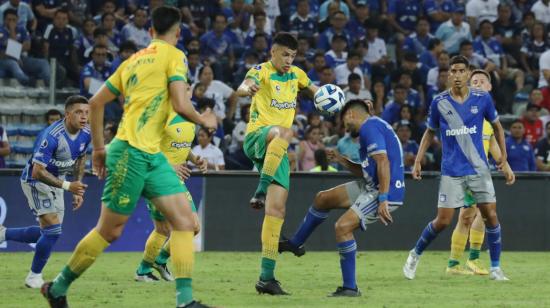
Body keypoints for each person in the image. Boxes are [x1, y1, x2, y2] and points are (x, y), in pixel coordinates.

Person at [40, 6, 217, 308]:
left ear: (150, 32)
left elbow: (95, 102)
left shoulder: (131, 61)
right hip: (131, 153)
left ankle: (185, 302)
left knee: (185, 222)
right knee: (110, 231)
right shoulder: (175, 56)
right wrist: (205, 120)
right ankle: (57, 288)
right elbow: (179, 102)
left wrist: (98, 148)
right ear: (177, 33)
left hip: (152, 155)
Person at [279, 99, 405, 296]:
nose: (345, 128)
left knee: (342, 227)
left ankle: (350, 288)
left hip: (383, 190)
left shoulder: (369, 128)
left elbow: (383, 162)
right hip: (372, 184)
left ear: (351, 115)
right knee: (322, 198)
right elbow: (366, 170)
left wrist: (383, 199)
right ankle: (296, 243)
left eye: (344, 122)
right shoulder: (373, 127)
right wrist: (341, 160)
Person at [402, 56, 510, 281]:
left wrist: (504, 158)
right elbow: (430, 131)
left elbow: (498, 127)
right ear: (449, 74)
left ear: (468, 73)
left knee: (490, 215)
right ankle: (415, 254)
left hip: (479, 169)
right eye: (454, 71)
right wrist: (419, 159)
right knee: (442, 221)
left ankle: (496, 268)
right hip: (451, 171)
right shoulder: (439, 101)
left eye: (462, 70)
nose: (458, 75)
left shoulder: (482, 98)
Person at [235, 32, 318, 294]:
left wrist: (346, 103)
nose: (289, 60)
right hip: (258, 137)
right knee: (284, 132)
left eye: (293, 56)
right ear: (273, 52)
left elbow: (317, 91)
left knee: (277, 211)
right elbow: (242, 87)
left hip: (278, 150)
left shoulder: (297, 74)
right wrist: (247, 89)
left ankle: (266, 278)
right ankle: (260, 189)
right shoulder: (261, 71)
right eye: (284, 54)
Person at [0, 96, 90, 288]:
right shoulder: (51, 136)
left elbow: (81, 157)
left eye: (87, 112)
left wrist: (78, 187)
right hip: (36, 181)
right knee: (53, 230)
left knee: (49, 233)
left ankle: (3, 234)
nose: (84, 117)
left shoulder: (86, 133)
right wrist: (68, 187)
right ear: (67, 114)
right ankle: (34, 277)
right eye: (78, 112)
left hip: (59, 182)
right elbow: (37, 171)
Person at [446, 69, 515, 276]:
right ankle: (464, 262)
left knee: (473, 216)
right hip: (466, 172)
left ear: (489, 87)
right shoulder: (466, 113)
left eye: (481, 81)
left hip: (481, 174)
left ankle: (458, 263)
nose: (476, 84)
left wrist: (505, 165)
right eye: (473, 81)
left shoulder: (486, 116)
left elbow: (491, 142)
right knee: (473, 215)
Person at [135, 89, 208, 281]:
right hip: (157, 178)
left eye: (187, 88)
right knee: (169, 228)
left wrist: (194, 158)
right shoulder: (162, 114)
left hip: (175, 181)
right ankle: (145, 270)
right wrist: (170, 166)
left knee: (189, 227)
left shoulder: (190, 116)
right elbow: (147, 149)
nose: (184, 91)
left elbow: (181, 145)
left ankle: (154, 263)